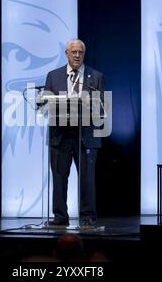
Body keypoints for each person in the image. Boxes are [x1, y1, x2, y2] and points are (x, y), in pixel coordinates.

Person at [44, 39, 105, 227]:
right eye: (74, 52)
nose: (77, 55)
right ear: (66, 54)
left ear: (84, 54)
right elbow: (45, 104)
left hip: (85, 135)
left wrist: (88, 104)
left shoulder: (95, 76)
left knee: (87, 179)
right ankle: (60, 216)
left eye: (80, 52)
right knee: (59, 177)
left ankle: (87, 217)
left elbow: (101, 106)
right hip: (60, 135)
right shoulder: (53, 76)